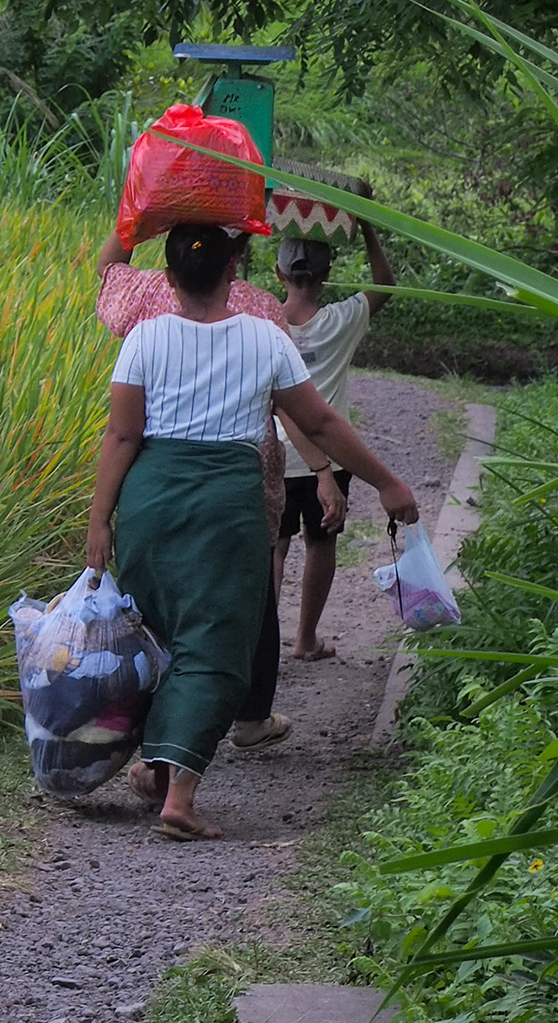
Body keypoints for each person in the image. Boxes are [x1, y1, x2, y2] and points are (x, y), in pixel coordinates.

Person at [85, 222, 419, 841]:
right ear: (235, 267)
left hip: (149, 500)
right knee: (214, 645)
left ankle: (157, 770)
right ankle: (178, 797)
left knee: (156, 633)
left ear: (168, 274)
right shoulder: (265, 339)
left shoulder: (143, 338)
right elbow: (317, 421)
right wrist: (386, 481)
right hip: (225, 503)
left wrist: (100, 518)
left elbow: (122, 436)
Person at [94, 227, 338, 752]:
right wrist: (321, 469)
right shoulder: (264, 316)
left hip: (150, 489)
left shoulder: (144, 302)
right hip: (242, 486)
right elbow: (294, 408)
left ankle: (157, 747)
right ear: (237, 260)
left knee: (156, 616)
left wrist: (136, 218)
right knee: (240, 608)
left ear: (169, 268)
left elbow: (107, 270)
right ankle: (241, 719)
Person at [275, 214, 397, 660]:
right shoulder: (342, 320)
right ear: (327, 277)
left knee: (274, 546)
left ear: (279, 274)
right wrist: (367, 225)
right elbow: (385, 284)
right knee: (320, 542)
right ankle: (306, 640)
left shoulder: (265, 323)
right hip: (331, 456)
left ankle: (263, 644)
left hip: (274, 454)